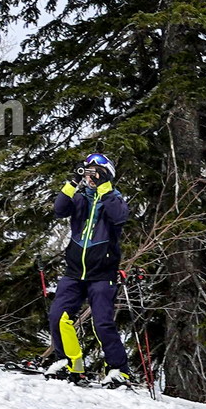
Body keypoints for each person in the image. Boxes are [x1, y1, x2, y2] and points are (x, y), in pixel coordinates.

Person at [47, 152, 132, 386]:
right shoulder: (80, 197)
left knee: (102, 322)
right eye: (88, 170)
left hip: (102, 273)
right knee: (58, 316)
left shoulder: (114, 197)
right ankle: (70, 362)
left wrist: (104, 185)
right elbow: (60, 209)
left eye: (96, 171)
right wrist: (73, 181)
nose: (91, 175)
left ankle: (118, 369)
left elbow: (119, 217)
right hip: (74, 271)